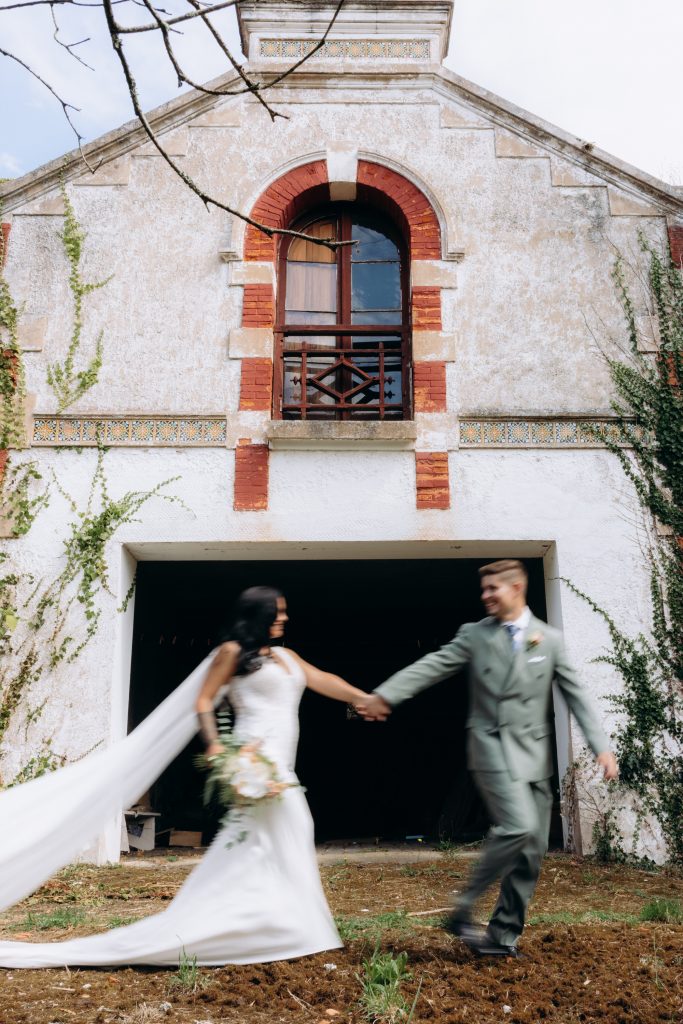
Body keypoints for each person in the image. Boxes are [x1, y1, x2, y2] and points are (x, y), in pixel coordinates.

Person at [0, 586, 370, 967]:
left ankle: (271, 924)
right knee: (272, 834)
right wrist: (216, 747)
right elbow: (203, 701)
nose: (284, 618)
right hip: (252, 762)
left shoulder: (286, 657)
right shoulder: (230, 654)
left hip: (281, 769)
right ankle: (276, 926)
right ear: (257, 616)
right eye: (277, 612)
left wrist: (362, 697)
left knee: (266, 840)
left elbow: (323, 679)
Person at [357, 560, 618, 957]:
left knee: (532, 848)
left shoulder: (548, 639)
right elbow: (433, 666)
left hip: (533, 754)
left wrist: (600, 745)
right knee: (517, 826)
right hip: (491, 746)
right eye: (483, 589)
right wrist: (386, 694)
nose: (485, 596)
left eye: (492, 588)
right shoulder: (475, 635)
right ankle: (463, 909)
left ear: (516, 587)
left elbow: (575, 693)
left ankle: (502, 936)